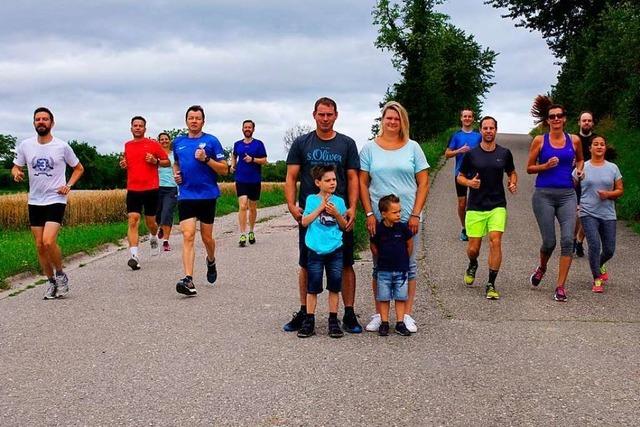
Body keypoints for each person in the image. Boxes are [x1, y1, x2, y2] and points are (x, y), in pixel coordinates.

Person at [283, 97, 362, 334]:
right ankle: (305, 313)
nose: (325, 118)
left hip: (339, 215)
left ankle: (347, 313)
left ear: (336, 115)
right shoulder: (302, 143)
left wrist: (353, 207)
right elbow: (291, 177)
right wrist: (290, 205)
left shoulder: (346, 144)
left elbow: (352, 178)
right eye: (321, 114)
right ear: (314, 115)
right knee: (307, 264)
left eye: (329, 114)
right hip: (311, 215)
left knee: (345, 264)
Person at [359, 101, 429, 333]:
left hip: (408, 217)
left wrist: (416, 214)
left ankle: (405, 314)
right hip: (379, 219)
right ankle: (381, 315)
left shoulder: (413, 147)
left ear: (402, 122)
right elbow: (362, 181)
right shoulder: (369, 149)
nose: (392, 122)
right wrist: (369, 212)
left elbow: (423, 181)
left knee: (408, 265)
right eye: (388, 118)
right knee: (380, 266)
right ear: (382, 120)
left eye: (396, 119)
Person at [11, 107, 84, 299]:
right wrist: (16, 173)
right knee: (39, 245)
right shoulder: (25, 145)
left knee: (48, 241)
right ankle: (50, 281)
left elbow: (78, 168)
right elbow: (16, 166)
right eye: (38, 119)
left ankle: (60, 275)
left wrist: (68, 185)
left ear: (52, 123)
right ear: (34, 123)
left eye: (45, 119)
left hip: (55, 199)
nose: (41, 122)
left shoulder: (61, 146)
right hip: (35, 200)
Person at [527, 97, 584, 302]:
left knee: (568, 240)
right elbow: (529, 167)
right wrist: (545, 166)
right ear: (547, 120)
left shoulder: (574, 140)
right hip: (544, 195)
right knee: (549, 242)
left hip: (568, 195)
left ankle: (560, 286)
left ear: (565, 119)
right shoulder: (540, 141)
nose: (556, 119)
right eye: (552, 117)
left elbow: (579, 159)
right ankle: (542, 267)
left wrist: (579, 170)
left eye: (559, 116)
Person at [457, 116, 517, 300]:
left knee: (495, 240)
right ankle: (473, 263)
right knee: (473, 248)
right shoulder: (471, 154)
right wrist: (469, 182)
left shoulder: (505, 153)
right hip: (475, 206)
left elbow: (512, 172)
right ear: (481, 130)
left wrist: (512, 182)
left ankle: (491, 283)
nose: (489, 131)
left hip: (497, 205)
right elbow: (459, 177)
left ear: (496, 130)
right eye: (485, 128)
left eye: (492, 128)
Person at [172, 105, 228, 296]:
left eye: (197, 118)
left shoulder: (212, 141)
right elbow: (176, 162)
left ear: (203, 121)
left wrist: (206, 160)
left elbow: (224, 169)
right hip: (186, 195)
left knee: (206, 238)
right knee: (188, 235)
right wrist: (176, 174)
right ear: (186, 120)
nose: (194, 121)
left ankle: (211, 260)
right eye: (191, 118)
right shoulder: (178, 142)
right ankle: (188, 279)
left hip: (207, 195)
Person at [297, 165, 348, 338]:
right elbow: (304, 222)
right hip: (315, 250)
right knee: (313, 287)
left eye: (334, 179)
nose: (332, 183)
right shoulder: (311, 199)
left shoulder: (339, 202)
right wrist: (320, 208)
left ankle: (333, 320)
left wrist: (336, 214)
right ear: (318, 182)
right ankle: (309, 320)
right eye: (328, 180)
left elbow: (344, 226)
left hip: (335, 249)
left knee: (334, 286)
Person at [573, 136, 623, 293]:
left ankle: (599, 264)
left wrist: (608, 194)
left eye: (602, 144)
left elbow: (620, 189)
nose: (599, 147)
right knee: (594, 245)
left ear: (605, 148)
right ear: (590, 148)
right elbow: (571, 187)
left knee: (609, 249)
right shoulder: (583, 167)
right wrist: (575, 203)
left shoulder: (613, 168)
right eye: (596, 144)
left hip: (608, 213)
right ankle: (596, 278)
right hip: (587, 212)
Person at [119, 116, 169, 270]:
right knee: (133, 220)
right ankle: (134, 256)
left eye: (141, 125)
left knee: (151, 223)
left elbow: (167, 161)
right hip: (133, 189)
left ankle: (153, 236)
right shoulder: (127, 145)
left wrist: (156, 161)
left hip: (151, 188)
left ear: (145, 129)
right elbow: (126, 162)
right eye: (135, 125)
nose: (138, 128)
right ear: (131, 128)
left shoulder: (153, 144)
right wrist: (123, 164)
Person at [369, 194, 413, 336]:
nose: (398, 215)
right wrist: (380, 256)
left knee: (400, 297)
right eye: (394, 212)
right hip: (384, 270)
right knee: (384, 297)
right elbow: (373, 245)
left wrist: (404, 258)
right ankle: (384, 322)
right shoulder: (379, 229)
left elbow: (409, 244)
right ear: (384, 214)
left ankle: (400, 322)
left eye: (399, 211)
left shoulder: (403, 228)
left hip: (401, 270)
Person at [445, 108, 482, 241]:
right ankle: (464, 228)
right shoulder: (456, 136)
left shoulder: (479, 136)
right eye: (464, 116)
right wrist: (459, 150)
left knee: (475, 202)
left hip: (476, 174)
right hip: (460, 174)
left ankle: (475, 228)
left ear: (473, 119)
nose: (467, 118)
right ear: (461, 118)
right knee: (462, 204)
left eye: (469, 116)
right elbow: (447, 154)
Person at [230, 120, 268, 247]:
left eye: (249, 127)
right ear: (242, 129)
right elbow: (234, 155)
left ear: (253, 129)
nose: (247, 129)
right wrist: (233, 165)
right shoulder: (237, 144)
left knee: (252, 207)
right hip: (241, 178)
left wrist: (252, 159)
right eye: (245, 127)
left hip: (254, 179)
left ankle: (251, 230)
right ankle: (242, 233)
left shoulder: (258, 144)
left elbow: (264, 160)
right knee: (242, 205)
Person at [572, 111, 598, 257]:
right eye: (584, 120)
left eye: (589, 120)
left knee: (588, 213)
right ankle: (573, 239)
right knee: (577, 213)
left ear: (592, 123)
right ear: (579, 123)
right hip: (575, 179)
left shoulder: (597, 139)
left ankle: (580, 241)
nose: (586, 123)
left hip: (592, 181)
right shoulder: (573, 139)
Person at [155, 132, 178, 251]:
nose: (164, 141)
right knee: (158, 214)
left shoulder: (175, 155)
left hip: (172, 187)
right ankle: (160, 226)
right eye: (161, 139)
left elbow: (179, 168)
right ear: (158, 141)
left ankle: (165, 241)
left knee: (167, 212)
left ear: (170, 140)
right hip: (157, 187)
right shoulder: (155, 155)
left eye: (166, 139)